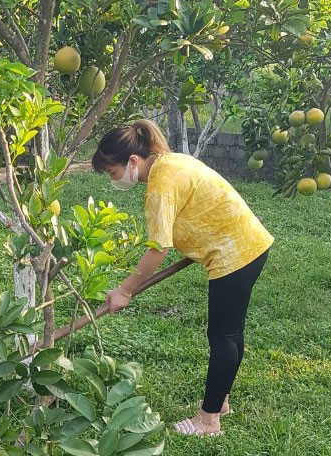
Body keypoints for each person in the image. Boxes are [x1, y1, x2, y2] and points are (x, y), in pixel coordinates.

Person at [91, 119, 273, 437]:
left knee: (224, 337)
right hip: (248, 243)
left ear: (132, 161)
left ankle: (208, 420)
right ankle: (220, 401)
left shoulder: (160, 185)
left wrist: (124, 290)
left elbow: (158, 249)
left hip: (234, 252)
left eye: (112, 173)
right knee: (230, 334)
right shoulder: (171, 163)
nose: (114, 180)